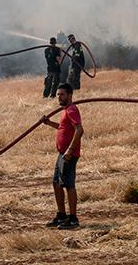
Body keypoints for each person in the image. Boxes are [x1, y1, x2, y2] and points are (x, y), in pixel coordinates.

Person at [40, 83, 84, 230]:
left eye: (62, 94)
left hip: (68, 155)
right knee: (56, 183)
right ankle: (61, 215)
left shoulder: (71, 110)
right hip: (62, 154)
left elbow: (79, 130)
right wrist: (48, 123)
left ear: (70, 95)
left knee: (68, 185)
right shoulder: (65, 110)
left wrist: (70, 151)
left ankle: (73, 219)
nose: (59, 97)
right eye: (58, 94)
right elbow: (63, 127)